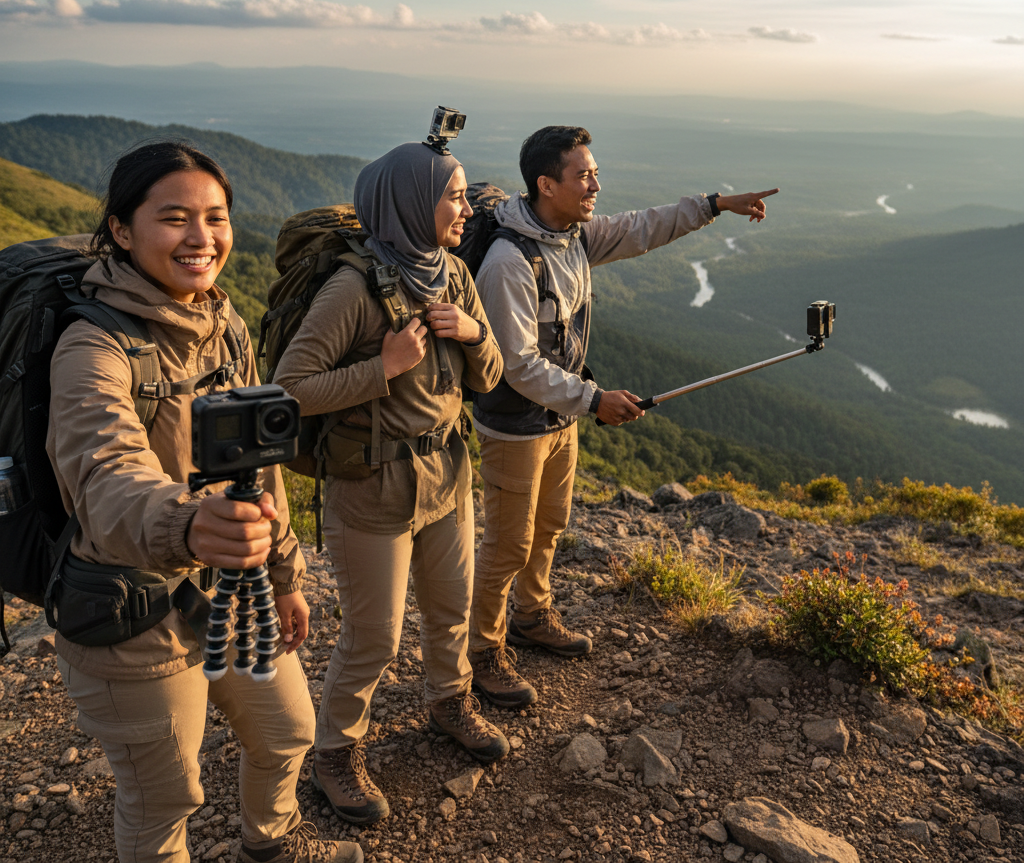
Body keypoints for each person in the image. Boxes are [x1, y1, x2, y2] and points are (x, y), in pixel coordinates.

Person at [47, 142, 361, 863]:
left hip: (232, 591)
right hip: (133, 615)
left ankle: (271, 846)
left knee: (286, 732)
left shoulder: (223, 323)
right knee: (164, 801)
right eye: (175, 218)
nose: (202, 237)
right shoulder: (91, 347)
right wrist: (186, 524)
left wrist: (284, 574)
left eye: (215, 217)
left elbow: (261, 467)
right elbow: (105, 476)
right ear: (122, 231)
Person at [469, 125, 779, 708]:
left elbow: (643, 227)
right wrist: (593, 400)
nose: (595, 184)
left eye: (594, 171)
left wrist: (715, 205)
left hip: (558, 419)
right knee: (508, 544)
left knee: (550, 526)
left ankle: (531, 616)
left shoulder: (573, 234)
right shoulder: (510, 262)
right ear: (546, 184)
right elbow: (515, 365)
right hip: (515, 425)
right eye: (582, 175)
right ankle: (482, 652)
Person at [274, 141, 507, 827]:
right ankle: (334, 753)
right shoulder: (352, 288)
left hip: (447, 474)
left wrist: (470, 333)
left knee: (451, 609)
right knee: (373, 637)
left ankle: (449, 700)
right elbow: (288, 388)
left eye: (464, 195)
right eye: (455, 196)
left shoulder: (454, 276)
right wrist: (383, 368)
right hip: (371, 486)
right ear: (411, 202)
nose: (467, 208)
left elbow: (488, 379)